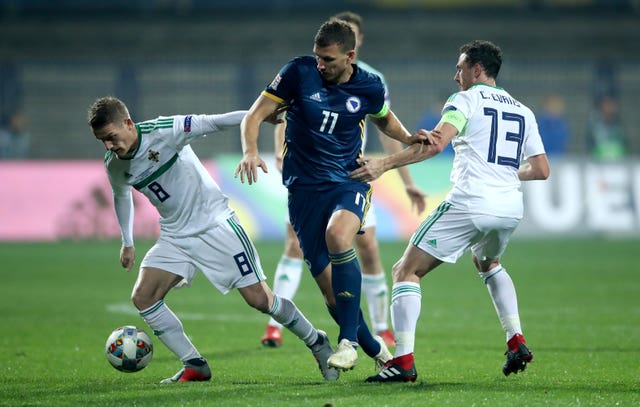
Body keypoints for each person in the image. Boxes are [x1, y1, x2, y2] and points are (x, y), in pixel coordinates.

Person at [87, 96, 339, 383]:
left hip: (215, 225)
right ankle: (194, 364)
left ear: (128, 124)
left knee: (260, 299)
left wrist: (258, 115)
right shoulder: (114, 165)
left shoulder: (165, 131)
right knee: (143, 297)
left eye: (110, 137)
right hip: (175, 234)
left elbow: (214, 121)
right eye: (102, 141)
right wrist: (127, 241)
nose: (108, 146)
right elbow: (121, 196)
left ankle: (316, 340)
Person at [235, 19, 429, 372]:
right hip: (303, 190)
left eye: (329, 59)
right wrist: (250, 151)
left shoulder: (369, 85)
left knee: (340, 236)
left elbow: (384, 120)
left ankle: (348, 342)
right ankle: (379, 353)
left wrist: (408, 138)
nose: (321, 65)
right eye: (318, 57)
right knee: (331, 294)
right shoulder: (298, 72)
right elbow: (255, 115)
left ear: (350, 56)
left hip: (347, 179)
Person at [350, 40, 550, 382]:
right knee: (488, 263)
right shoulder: (523, 110)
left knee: (405, 270)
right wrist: (501, 173)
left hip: (471, 202)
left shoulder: (464, 100)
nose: (455, 75)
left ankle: (403, 361)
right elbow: (542, 169)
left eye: (460, 68)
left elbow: (435, 145)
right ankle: (516, 339)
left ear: (477, 69)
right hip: (509, 207)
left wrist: (384, 164)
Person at [586, 94, 627, 160]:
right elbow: (590, 145)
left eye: (611, 105)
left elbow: (624, 145)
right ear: (601, 107)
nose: (609, 108)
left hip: (617, 163)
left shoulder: (619, 126)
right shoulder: (594, 127)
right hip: (598, 163)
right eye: (606, 105)